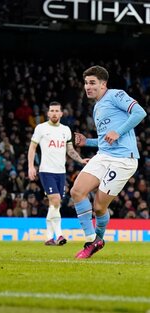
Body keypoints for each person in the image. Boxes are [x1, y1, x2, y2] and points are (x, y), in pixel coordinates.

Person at [72, 65, 146, 259]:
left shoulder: (115, 95)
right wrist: (86, 142)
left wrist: (119, 131)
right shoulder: (97, 107)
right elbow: (107, 139)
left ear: (103, 84)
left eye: (92, 83)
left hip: (123, 160)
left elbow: (140, 113)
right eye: (86, 83)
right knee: (77, 191)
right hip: (103, 155)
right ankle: (92, 239)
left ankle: (99, 237)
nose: (88, 87)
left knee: (99, 207)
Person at [28, 101, 88, 246]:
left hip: (61, 172)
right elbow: (32, 148)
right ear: (48, 113)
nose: (54, 113)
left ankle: (49, 237)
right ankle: (59, 235)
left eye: (57, 111)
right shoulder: (41, 128)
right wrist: (31, 166)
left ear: (61, 113)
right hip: (46, 171)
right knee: (55, 200)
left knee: (55, 205)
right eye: (52, 111)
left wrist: (80, 160)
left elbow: (70, 150)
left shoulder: (66, 130)